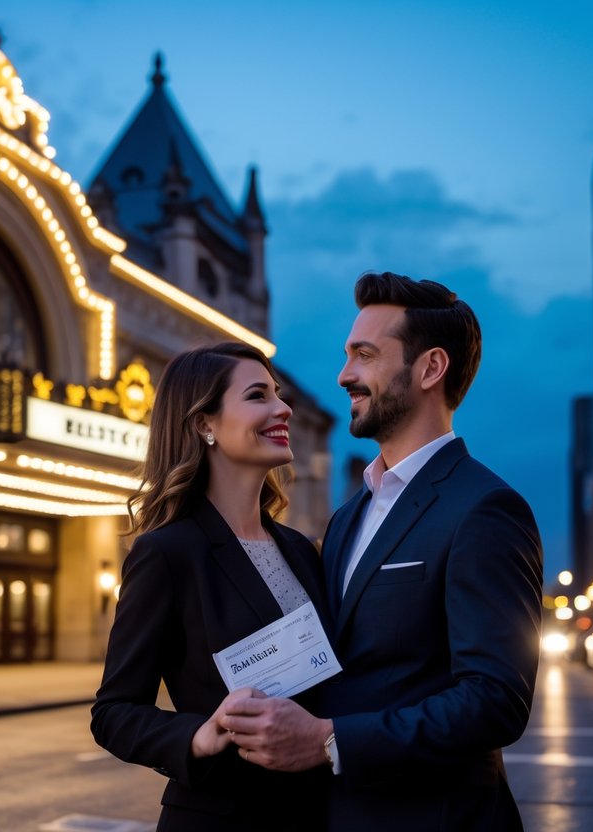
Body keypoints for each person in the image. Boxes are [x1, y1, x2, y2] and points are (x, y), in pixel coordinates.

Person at [220, 271, 544, 831]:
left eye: (365, 356)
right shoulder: (348, 517)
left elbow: (495, 700)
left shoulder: (485, 509)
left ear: (430, 368)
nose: (345, 375)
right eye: (348, 356)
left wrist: (329, 741)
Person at [90, 342, 332, 831]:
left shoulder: (301, 550)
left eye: (279, 394)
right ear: (204, 424)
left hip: (317, 813)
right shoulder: (167, 553)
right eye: (258, 395)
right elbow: (113, 712)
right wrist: (199, 735)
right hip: (223, 816)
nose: (282, 408)